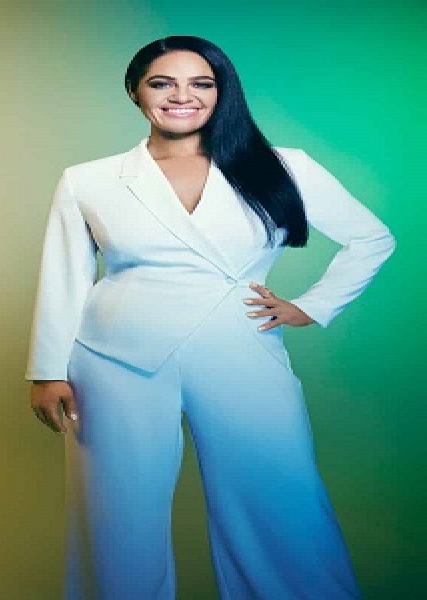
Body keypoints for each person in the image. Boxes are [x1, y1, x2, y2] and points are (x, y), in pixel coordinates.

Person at [25, 35, 396, 600]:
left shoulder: (280, 165)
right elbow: (65, 276)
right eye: (162, 83)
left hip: (241, 348)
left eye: (201, 83)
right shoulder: (88, 179)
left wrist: (312, 306)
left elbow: (371, 238)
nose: (183, 97)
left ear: (222, 93)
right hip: (113, 360)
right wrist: (47, 370)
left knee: (281, 503)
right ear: (135, 91)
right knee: (117, 517)